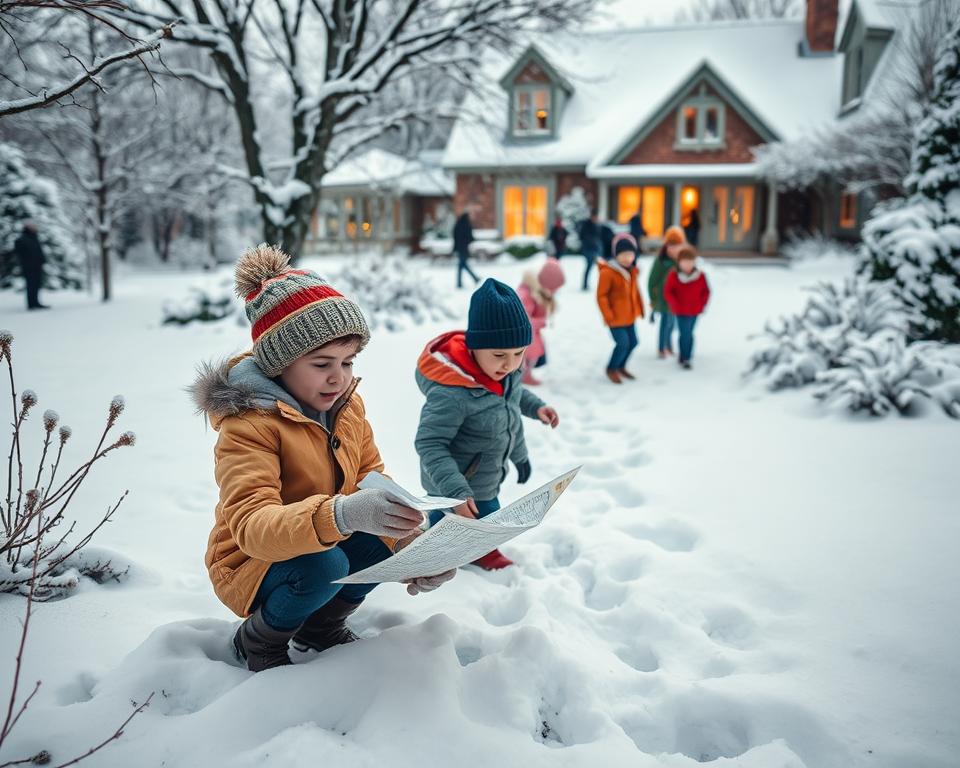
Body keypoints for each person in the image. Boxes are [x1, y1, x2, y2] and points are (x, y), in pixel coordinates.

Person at [191, 244, 456, 672]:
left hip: (322, 535)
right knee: (326, 561)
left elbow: (371, 478)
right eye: (321, 364)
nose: (339, 377)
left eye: (348, 362)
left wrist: (410, 546)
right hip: (250, 562)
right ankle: (257, 640)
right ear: (279, 365)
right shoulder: (249, 425)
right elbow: (251, 528)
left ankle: (320, 628)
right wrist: (342, 516)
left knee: (374, 542)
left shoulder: (346, 407)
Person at [415, 278, 561, 570]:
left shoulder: (503, 374)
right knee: (450, 530)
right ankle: (432, 557)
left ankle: (479, 549)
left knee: (486, 517)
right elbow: (429, 443)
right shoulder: (452, 392)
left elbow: (515, 395)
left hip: (486, 475)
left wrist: (537, 408)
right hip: (453, 485)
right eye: (499, 355)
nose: (510, 364)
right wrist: (454, 490)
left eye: (519, 353)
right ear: (474, 348)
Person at [596, 233, 645, 384]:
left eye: (630, 254)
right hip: (615, 318)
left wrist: (640, 309)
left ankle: (621, 366)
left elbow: (636, 292)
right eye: (623, 255)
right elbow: (601, 296)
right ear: (616, 255)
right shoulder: (608, 273)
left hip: (629, 316)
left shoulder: (632, 271)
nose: (626, 258)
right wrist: (608, 315)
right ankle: (612, 368)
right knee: (622, 343)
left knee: (634, 342)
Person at [517, 259, 565, 385]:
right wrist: (541, 322)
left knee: (533, 353)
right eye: (552, 289)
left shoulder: (537, 291)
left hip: (532, 332)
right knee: (529, 353)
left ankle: (526, 373)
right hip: (523, 332)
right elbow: (521, 320)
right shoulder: (526, 294)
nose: (553, 293)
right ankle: (523, 375)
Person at [663, 244, 711, 369]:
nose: (687, 265)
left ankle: (684, 354)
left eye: (690, 262)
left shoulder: (700, 276)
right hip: (681, 311)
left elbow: (706, 291)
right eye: (684, 262)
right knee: (685, 333)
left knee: (689, 333)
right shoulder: (674, 276)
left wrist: (702, 304)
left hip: (695, 310)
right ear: (679, 262)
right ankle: (686, 358)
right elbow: (668, 292)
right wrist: (674, 305)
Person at [647, 225, 687, 359]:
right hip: (663, 298)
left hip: (676, 298)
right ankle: (661, 348)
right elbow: (651, 281)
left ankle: (669, 345)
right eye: (671, 245)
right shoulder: (661, 261)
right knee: (665, 323)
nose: (674, 249)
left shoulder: (682, 260)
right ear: (666, 245)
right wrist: (653, 299)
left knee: (672, 323)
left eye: (677, 246)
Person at [14, 221, 48, 311]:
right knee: (31, 285)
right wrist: (26, 263)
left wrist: (42, 260)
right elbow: (20, 254)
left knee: (36, 285)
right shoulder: (22, 239)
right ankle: (31, 304)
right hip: (29, 267)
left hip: (37, 266)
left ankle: (36, 302)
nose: (35, 228)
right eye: (33, 226)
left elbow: (38, 251)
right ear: (28, 227)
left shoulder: (34, 237)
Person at [453, 204, 480, 289]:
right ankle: (474, 278)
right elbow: (469, 236)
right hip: (464, 248)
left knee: (461, 265)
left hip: (460, 247)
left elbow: (454, 234)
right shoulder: (466, 224)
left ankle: (460, 283)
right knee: (463, 264)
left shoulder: (459, 223)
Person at [576, 209, 601, 291]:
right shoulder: (587, 225)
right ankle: (585, 284)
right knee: (589, 265)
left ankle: (586, 284)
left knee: (590, 266)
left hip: (593, 248)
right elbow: (583, 236)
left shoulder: (595, 225)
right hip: (588, 248)